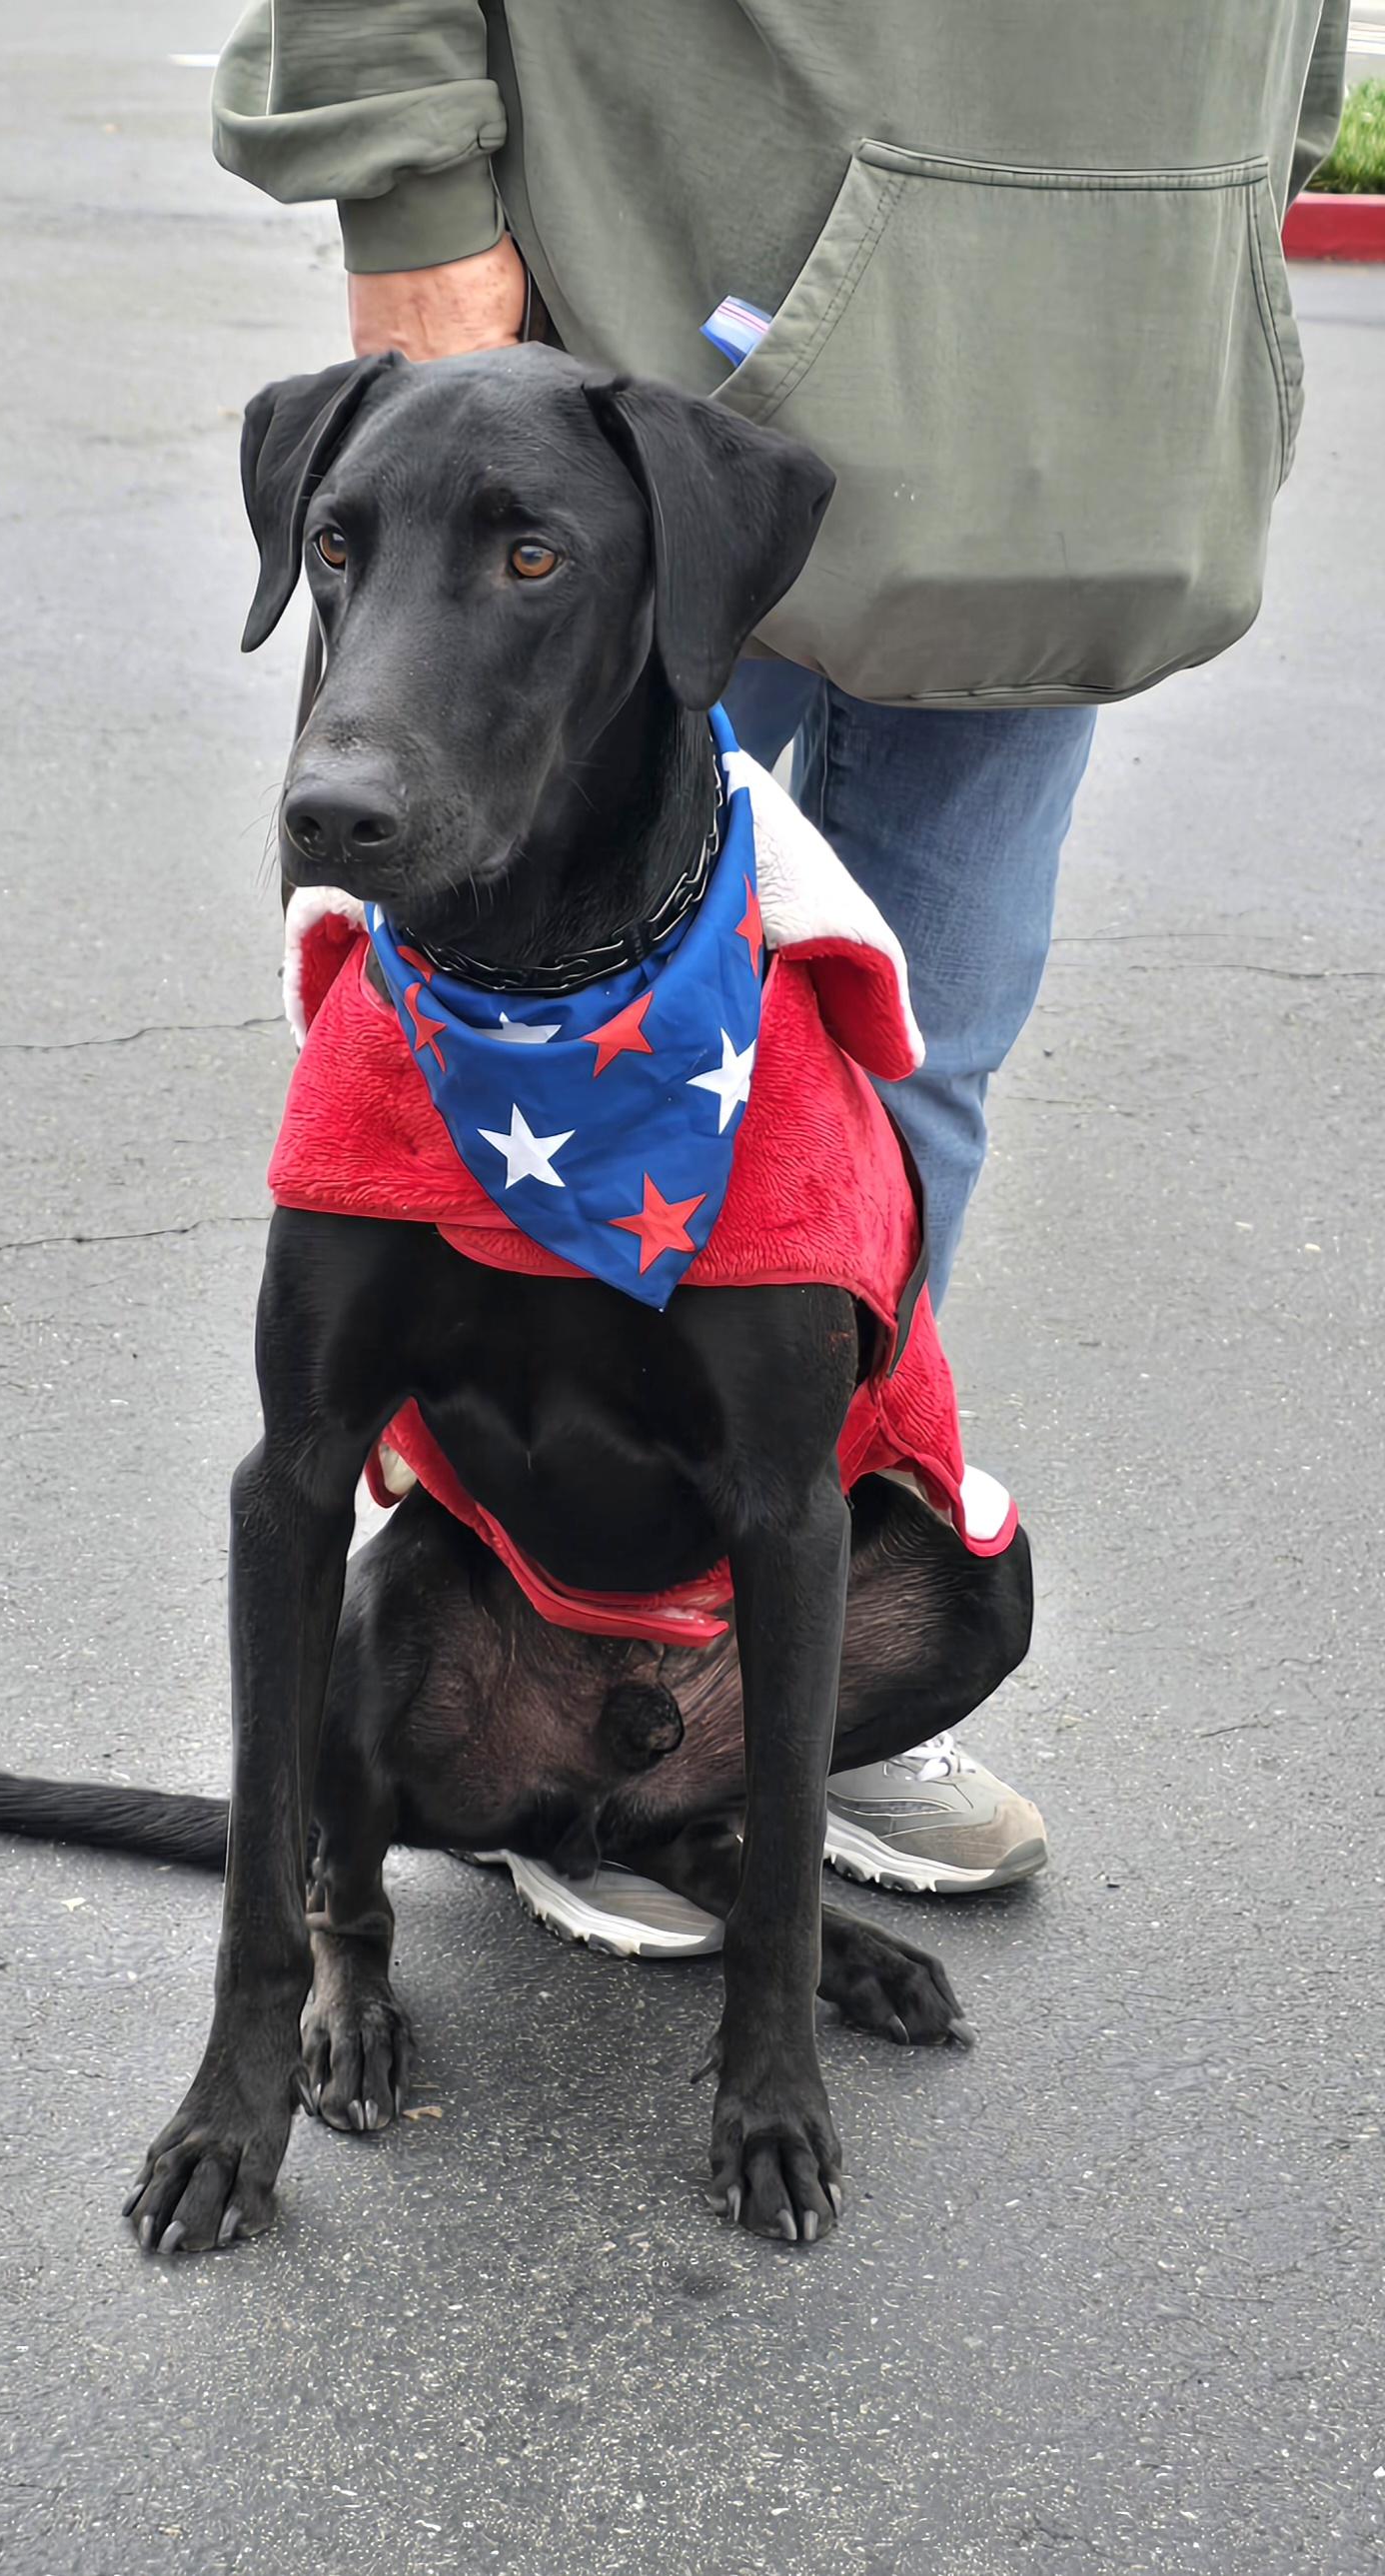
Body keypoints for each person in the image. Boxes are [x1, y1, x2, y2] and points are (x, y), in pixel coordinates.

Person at [209, 0, 1349, 1901]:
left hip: (1075, 404)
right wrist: (406, 189)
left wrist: (1222, 224)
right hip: (677, 327)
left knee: (905, 1094)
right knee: (521, 1045)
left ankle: (724, 1710)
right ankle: (532, 1694)